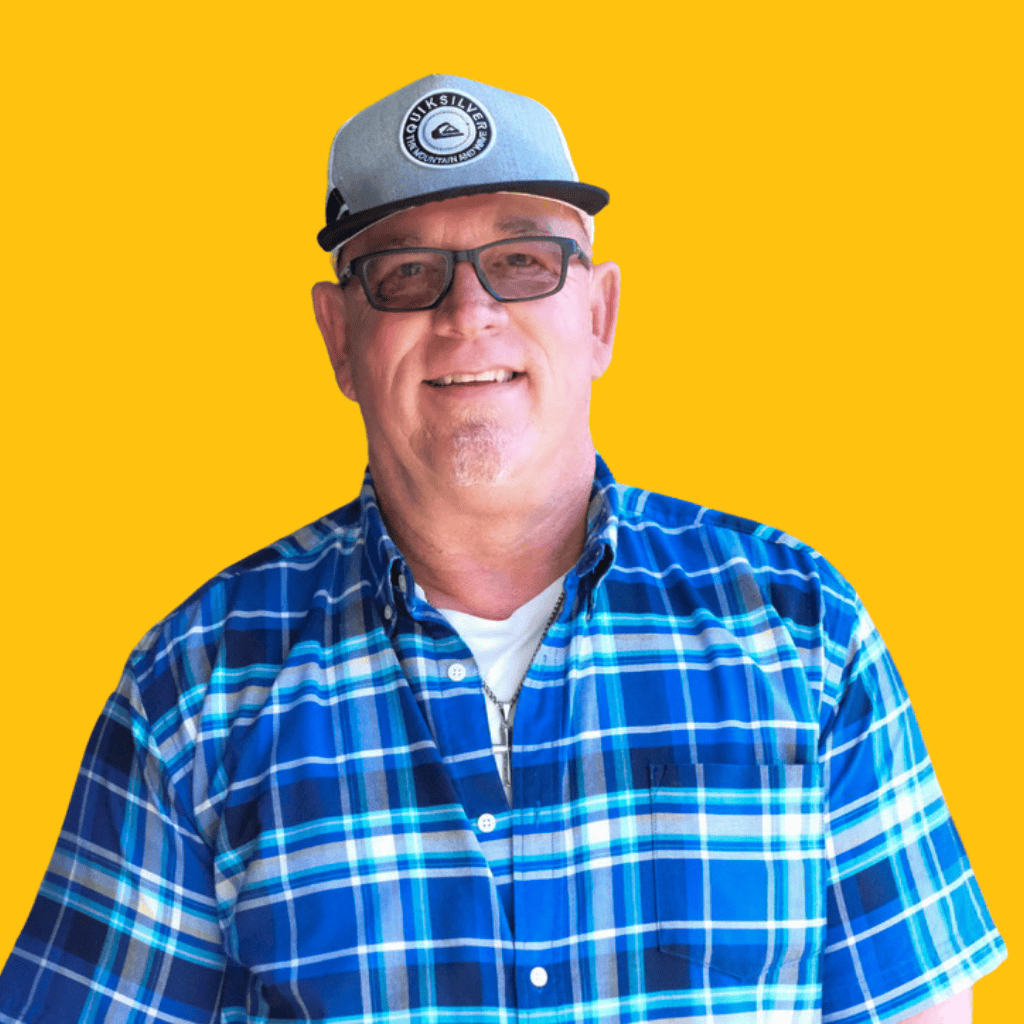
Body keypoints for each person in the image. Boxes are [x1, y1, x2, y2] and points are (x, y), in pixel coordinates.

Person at [0, 74, 1006, 1024]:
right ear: (339, 337)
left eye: (523, 261)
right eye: (406, 273)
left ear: (600, 314)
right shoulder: (198, 685)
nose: (468, 313)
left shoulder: (801, 631)